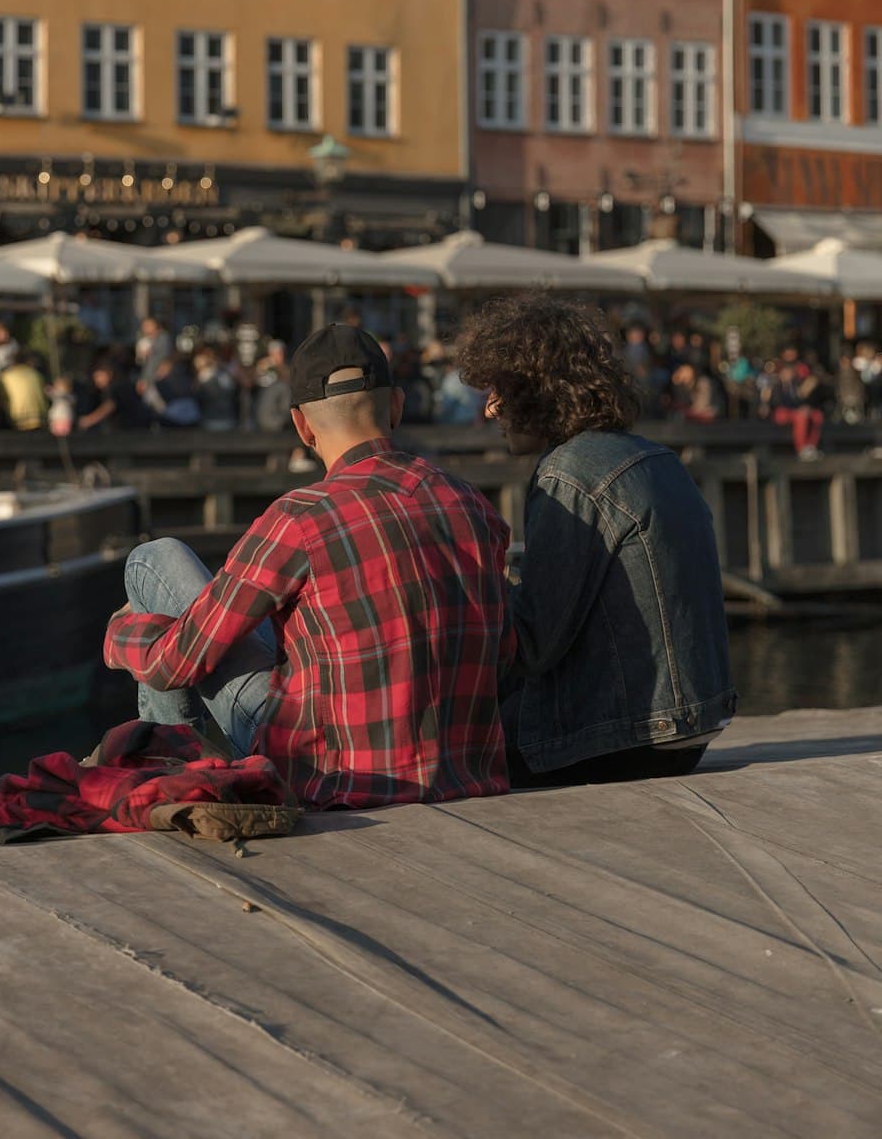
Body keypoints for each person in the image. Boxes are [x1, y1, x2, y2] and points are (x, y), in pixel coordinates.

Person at [104, 323, 513, 809]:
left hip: (332, 779)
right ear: (397, 406)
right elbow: (503, 651)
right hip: (468, 778)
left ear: (301, 426)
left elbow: (173, 663)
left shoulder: (299, 519)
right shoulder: (473, 506)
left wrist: (121, 633)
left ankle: (167, 779)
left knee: (154, 560)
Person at [458, 293, 736, 786]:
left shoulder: (569, 472)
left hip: (628, 738)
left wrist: (479, 584)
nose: (491, 406)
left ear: (537, 390)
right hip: (691, 726)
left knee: (442, 728)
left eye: (500, 388)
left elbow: (534, 645)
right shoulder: (655, 457)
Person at [0, 349, 49, 432]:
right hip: (40, 419)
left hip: (18, 420)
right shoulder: (36, 374)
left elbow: (1, 399)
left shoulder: (5, 377)